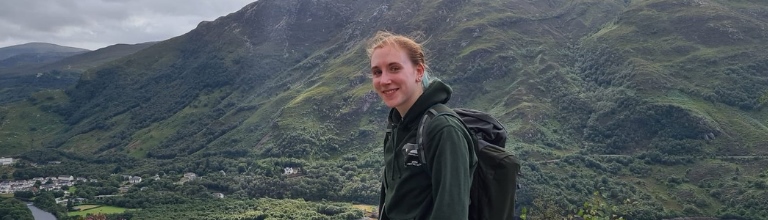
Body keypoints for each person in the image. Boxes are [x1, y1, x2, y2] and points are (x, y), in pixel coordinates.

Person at [368, 30, 478, 220]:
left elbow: (452, 213)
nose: (384, 80)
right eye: (377, 72)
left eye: (394, 68)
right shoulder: (396, 126)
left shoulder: (443, 129)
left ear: (419, 71)